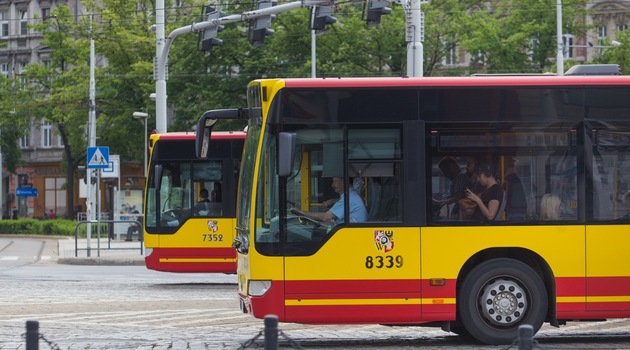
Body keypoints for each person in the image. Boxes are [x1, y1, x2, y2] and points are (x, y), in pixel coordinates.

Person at [293, 175, 368, 226]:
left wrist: (303, 213)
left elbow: (326, 217)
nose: (332, 185)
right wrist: (333, 201)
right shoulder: (351, 195)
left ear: (344, 182)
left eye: (334, 181)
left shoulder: (349, 198)